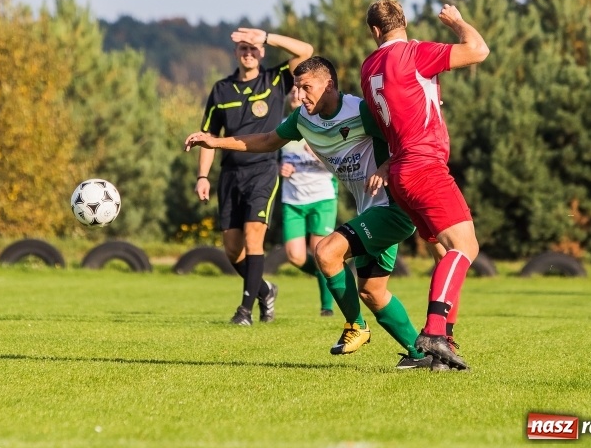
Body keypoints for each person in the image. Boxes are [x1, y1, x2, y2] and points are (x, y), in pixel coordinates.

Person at [186, 56, 436, 370]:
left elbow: (407, 139)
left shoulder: (360, 111)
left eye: (307, 88)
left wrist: (387, 166)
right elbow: (265, 140)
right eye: (297, 88)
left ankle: (356, 327)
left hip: (394, 208)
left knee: (326, 252)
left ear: (328, 84)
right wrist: (214, 141)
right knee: (373, 292)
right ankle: (422, 355)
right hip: (370, 209)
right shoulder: (303, 119)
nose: (301, 95)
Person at [360, 0, 489, 369]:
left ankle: (442, 347)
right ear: (404, 23)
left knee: (444, 252)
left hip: (400, 171)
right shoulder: (415, 53)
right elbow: (479, 50)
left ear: (374, 31)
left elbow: (397, 105)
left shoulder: (368, 67)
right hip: (425, 166)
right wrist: (458, 23)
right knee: (465, 247)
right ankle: (434, 332)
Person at [195, 27, 313, 326]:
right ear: (236, 54)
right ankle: (264, 289)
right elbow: (209, 135)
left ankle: (245, 311)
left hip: (262, 170)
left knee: (253, 235)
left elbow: (306, 51)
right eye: (243, 49)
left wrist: (268, 37)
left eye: (253, 48)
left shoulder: (275, 79)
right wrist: (202, 176)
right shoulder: (221, 89)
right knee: (233, 248)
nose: (249, 53)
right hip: (230, 174)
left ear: (261, 52)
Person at [279, 92, 339, 317]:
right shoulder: (283, 127)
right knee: (295, 256)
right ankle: (326, 276)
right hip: (292, 199)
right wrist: (280, 169)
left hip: (322, 197)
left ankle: (327, 307)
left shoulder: (322, 126)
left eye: (301, 92)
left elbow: (339, 163)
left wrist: (317, 154)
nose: (296, 95)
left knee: (320, 252)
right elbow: (273, 157)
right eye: (293, 92)